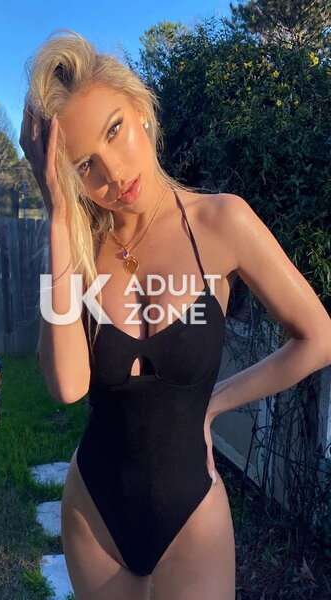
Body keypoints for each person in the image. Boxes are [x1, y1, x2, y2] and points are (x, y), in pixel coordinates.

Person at [20, 29, 331, 600]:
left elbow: (319, 337)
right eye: (85, 165)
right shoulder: (79, 250)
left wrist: (218, 401)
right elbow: (66, 386)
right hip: (94, 517)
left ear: (140, 109)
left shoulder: (222, 223)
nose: (114, 174)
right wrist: (58, 216)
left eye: (115, 130)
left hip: (192, 518)